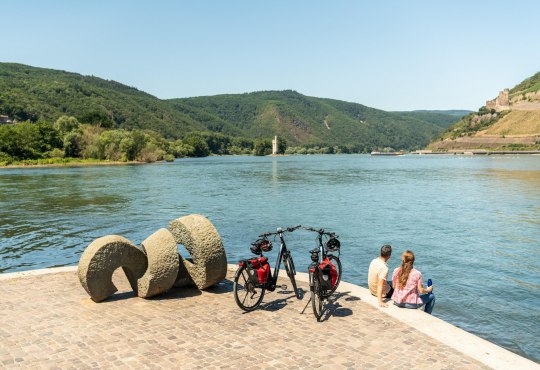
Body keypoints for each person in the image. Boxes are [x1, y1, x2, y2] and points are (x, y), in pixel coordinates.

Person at [391, 250, 435, 314]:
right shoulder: (417, 273)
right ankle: (427, 315)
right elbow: (421, 291)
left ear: (403, 260)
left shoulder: (396, 270)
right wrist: (428, 289)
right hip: (411, 304)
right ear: (413, 261)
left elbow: (393, 286)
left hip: (397, 302)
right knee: (432, 296)